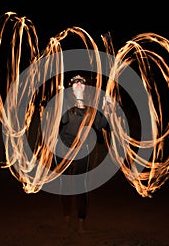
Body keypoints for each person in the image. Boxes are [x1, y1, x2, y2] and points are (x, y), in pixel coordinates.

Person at [54, 74, 112, 234]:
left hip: (82, 151)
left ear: (86, 87)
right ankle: (66, 219)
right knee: (65, 186)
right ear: (70, 86)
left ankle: (81, 222)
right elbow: (62, 120)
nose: (79, 83)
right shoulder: (65, 103)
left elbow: (104, 125)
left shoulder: (92, 109)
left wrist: (109, 108)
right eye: (75, 81)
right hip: (63, 149)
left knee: (81, 187)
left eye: (82, 81)